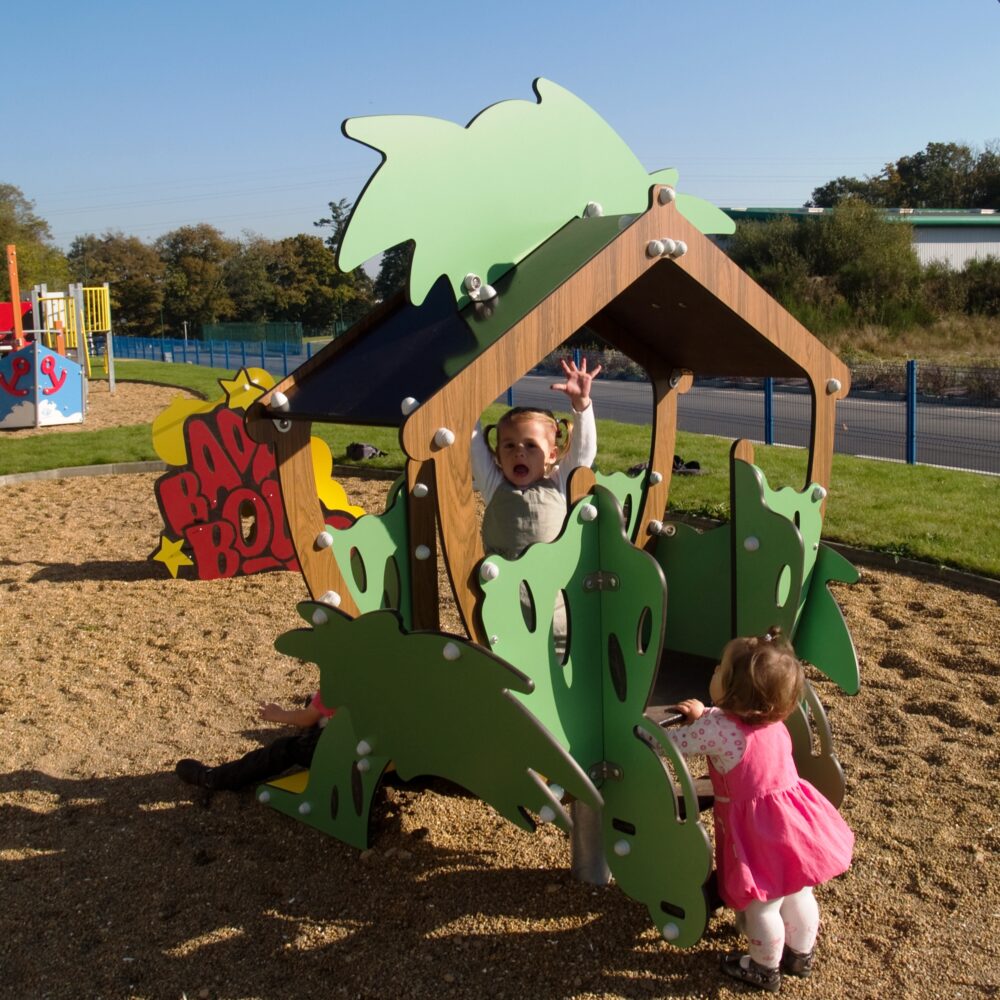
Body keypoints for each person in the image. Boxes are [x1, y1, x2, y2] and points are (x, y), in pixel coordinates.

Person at [664, 629, 854, 994]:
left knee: (761, 906)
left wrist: (675, 725)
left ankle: (764, 968)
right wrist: (708, 713)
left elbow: (674, 743)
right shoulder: (772, 720)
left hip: (756, 831)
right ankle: (800, 955)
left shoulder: (720, 730)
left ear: (736, 693)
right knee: (798, 893)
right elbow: (732, 719)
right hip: (794, 822)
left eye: (719, 671)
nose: (713, 672)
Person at [471, 356, 602, 562]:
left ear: (551, 455)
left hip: (549, 590)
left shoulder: (559, 486)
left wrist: (582, 404)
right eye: (509, 445)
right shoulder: (494, 486)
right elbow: (474, 444)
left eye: (531, 445)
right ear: (498, 454)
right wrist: (469, 401)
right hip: (500, 589)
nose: (519, 452)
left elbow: (583, 453)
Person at [175, 691, 334, 791]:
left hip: (341, 751)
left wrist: (278, 714)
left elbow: (305, 718)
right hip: (354, 738)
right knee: (313, 701)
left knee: (283, 749)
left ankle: (212, 778)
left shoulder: (337, 676)